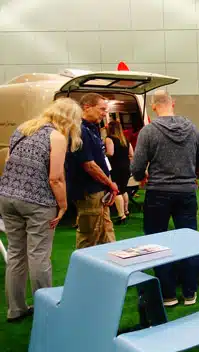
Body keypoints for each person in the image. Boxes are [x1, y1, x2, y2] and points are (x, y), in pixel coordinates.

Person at [0, 98, 83, 322]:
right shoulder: (56, 137)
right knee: (39, 255)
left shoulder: (22, 128)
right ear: (70, 119)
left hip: (7, 198)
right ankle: (45, 308)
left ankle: (15, 309)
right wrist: (64, 206)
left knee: (16, 254)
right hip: (37, 202)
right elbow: (55, 178)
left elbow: (8, 162)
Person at [131, 89, 199, 307]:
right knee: (189, 240)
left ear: (154, 106)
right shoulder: (191, 128)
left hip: (157, 193)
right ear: (172, 103)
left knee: (157, 242)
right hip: (186, 193)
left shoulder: (148, 131)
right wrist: (192, 175)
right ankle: (190, 292)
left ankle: (168, 295)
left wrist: (141, 176)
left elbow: (137, 167)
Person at [68, 93, 118, 249]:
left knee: (106, 231)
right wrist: (110, 183)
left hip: (100, 190)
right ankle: (82, 272)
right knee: (89, 236)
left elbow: (100, 160)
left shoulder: (93, 129)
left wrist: (108, 184)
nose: (104, 113)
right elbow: (89, 165)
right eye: (102, 109)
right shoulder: (79, 130)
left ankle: (114, 267)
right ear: (87, 107)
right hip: (88, 191)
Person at [104, 120, 133, 224]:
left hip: (115, 167)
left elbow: (110, 153)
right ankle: (126, 210)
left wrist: (103, 154)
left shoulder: (109, 138)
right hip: (126, 167)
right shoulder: (125, 139)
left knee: (116, 191)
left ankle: (121, 215)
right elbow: (131, 154)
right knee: (124, 190)